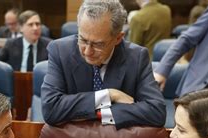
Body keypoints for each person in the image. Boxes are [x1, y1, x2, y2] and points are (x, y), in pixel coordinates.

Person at [41, 0, 165, 129]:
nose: (87, 51)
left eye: (98, 44)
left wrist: (100, 114)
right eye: (83, 39)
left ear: (118, 38)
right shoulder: (60, 51)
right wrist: (108, 95)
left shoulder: (137, 57)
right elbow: (51, 109)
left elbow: (156, 112)